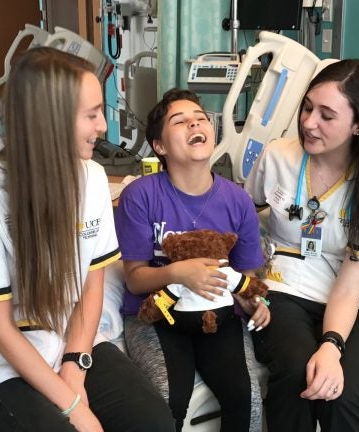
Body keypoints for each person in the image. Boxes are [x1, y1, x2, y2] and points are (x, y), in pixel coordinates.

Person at [0, 47, 174, 432]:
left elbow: (90, 288)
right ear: (48, 121)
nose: (103, 125)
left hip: (70, 338)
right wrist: (73, 407)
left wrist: (75, 367)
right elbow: (0, 330)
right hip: (0, 362)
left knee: (153, 423)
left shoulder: (92, 180)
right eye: (91, 114)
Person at [244, 59, 359, 432]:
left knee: (345, 392)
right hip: (283, 284)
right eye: (307, 107)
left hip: (351, 301)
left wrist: (332, 346)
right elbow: (244, 218)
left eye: (326, 115)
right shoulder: (278, 157)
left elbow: (349, 289)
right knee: (299, 373)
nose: (309, 122)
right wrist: (248, 282)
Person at [115, 88, 270, 432]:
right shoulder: (140, 196)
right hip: (155, 314)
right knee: (168, 399)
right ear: (160, 146)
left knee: (246, 399)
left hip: (218, 314)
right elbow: (135, 279)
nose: (195, 124)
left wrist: (255, 301)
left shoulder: (237, 201)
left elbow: (246, 276)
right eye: (180, 121)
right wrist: (178, 273)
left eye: (200, 119)